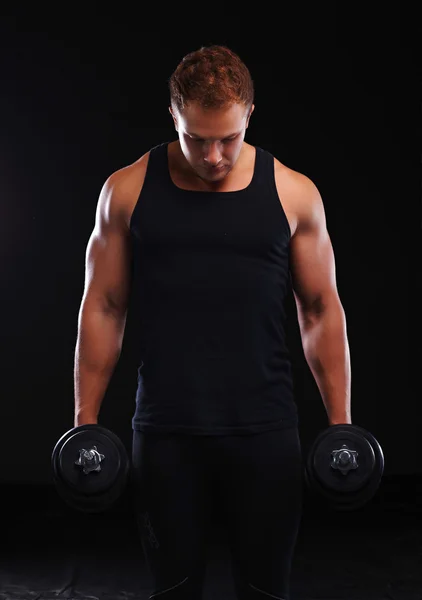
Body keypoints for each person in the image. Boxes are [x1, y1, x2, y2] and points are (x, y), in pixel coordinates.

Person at [74, 44, 352, 600]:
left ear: (249, 114)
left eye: (228, 138)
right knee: (174, 590)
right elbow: (103, 304)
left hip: (266, 434)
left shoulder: (294, 194)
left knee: (266, 590)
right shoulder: (126, 192)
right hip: (166, 434)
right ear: (173, 116)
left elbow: (320, 308)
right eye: (196, 138)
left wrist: (341, 424)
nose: (214, 156)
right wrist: (85, 420)